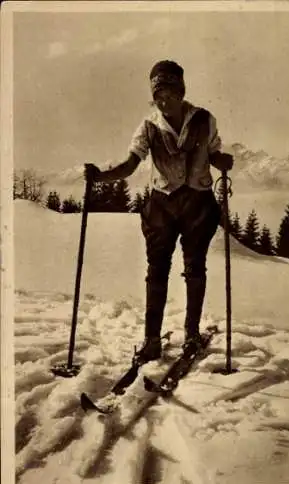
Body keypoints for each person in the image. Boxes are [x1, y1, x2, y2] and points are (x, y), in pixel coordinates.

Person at [84, 60, 233, 362]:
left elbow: (214, 153)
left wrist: (222, 161)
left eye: (168, 93)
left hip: (198, 205)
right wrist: (100, 176)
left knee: (195, 268)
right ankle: (151, 339)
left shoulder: (205, 119)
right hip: (161, 207)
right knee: (157, 270)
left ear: (181, 91)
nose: (163, 101)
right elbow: (129, 164)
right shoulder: (149, 126)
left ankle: (191, 335)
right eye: (157, 95)